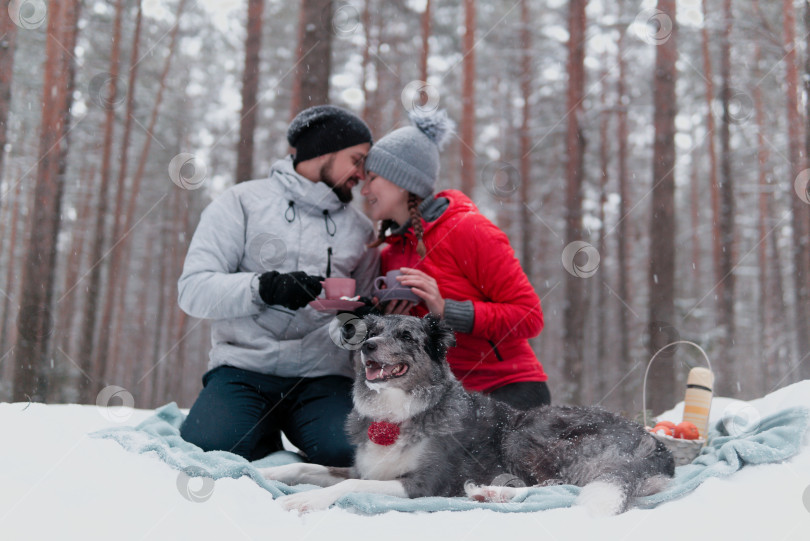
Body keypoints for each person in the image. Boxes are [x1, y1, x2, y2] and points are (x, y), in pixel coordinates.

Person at [177, 105, 379, 466]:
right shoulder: (241, 203)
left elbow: (352, 329)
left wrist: (359, 322)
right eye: (356, 160)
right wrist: (262, 288)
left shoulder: (360, 231)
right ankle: (255, 427)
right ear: (324, 151)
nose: (362, 175)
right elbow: (193, 290)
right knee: (206, 451)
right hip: (243, 369)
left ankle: (278, 433)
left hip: (321, 376)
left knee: (352, 457)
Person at [360, 110, 550, 410]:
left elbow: (529, 316)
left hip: (505, 387)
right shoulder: (391, 252)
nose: (365, 189)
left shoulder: (468, 230)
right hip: (439, 397)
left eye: (372, 178)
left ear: (402, 180)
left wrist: (446, 310)